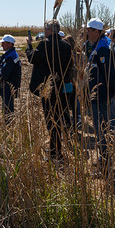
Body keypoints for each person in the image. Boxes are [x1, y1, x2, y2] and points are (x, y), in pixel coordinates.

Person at [26, 19, 75, 161]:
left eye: (45, 29)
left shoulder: (45, 44)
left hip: (48, 89)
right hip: (61, 88)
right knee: (58, 118)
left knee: (51, 120)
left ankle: (55, 153)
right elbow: (69, 66)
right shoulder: (66, 46)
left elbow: (32, 58)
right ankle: (55, 148)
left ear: (49, 30)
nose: (44, 31)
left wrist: (29, 46)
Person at [85, 18, 115, 167]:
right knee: (101, 127)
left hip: (101, 95)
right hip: (97, 93)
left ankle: (105, 160)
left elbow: (108, 72)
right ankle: (104, 158)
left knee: (101, 128)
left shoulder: (103, 47)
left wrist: (114, 91)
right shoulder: (98, 45)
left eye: (89, 30)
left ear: (97, 32)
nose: (87, 33)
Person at [0, 34, 22, 119]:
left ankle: (9, 124)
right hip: (8, 85)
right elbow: (2, 69)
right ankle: (8, 122)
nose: (1, 45)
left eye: (4, 43)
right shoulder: (10, 54)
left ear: (10, 44)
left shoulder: (11, 56)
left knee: (8, 107)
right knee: (7, 106)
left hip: (8, 86)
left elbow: (6, 72)